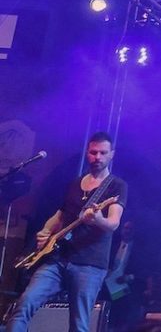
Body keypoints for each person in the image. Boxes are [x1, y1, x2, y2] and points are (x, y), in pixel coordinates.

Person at [6, 131, 127, 332]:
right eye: (93, 152)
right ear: (87, 153)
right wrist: (44, 232)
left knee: (78, 324)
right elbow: (60, 215)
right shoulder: (74, 184)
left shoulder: (116, 186)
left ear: (111, 154)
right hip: (58, 258)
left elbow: (113, 223)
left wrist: (97, 219)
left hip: (90, 265)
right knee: (24, 304)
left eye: (103, 153)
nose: (97, 157)